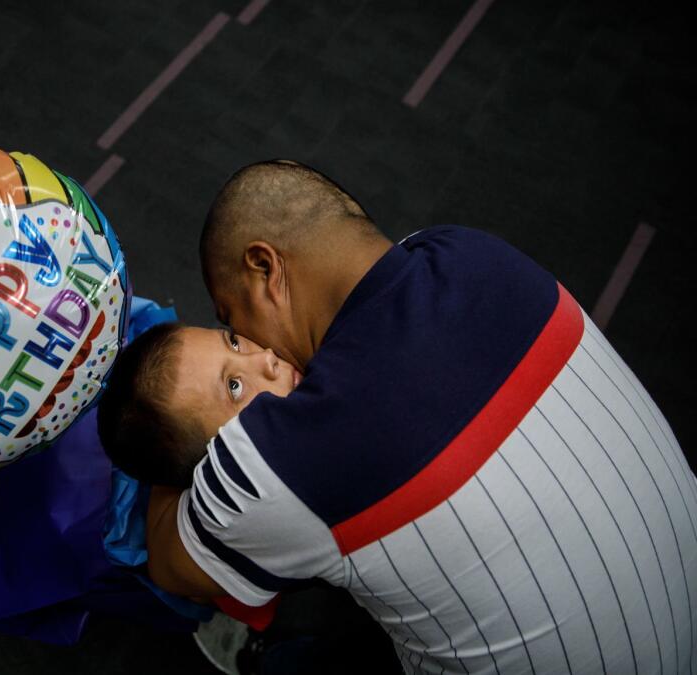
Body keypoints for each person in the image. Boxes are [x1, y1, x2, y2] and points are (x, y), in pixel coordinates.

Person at [97, 160, 697, 673]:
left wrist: (175, 427)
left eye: (232, 322)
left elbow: (171, 562)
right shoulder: (471, 251)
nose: (263, 354)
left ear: (265, 268)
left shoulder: (283, 458)